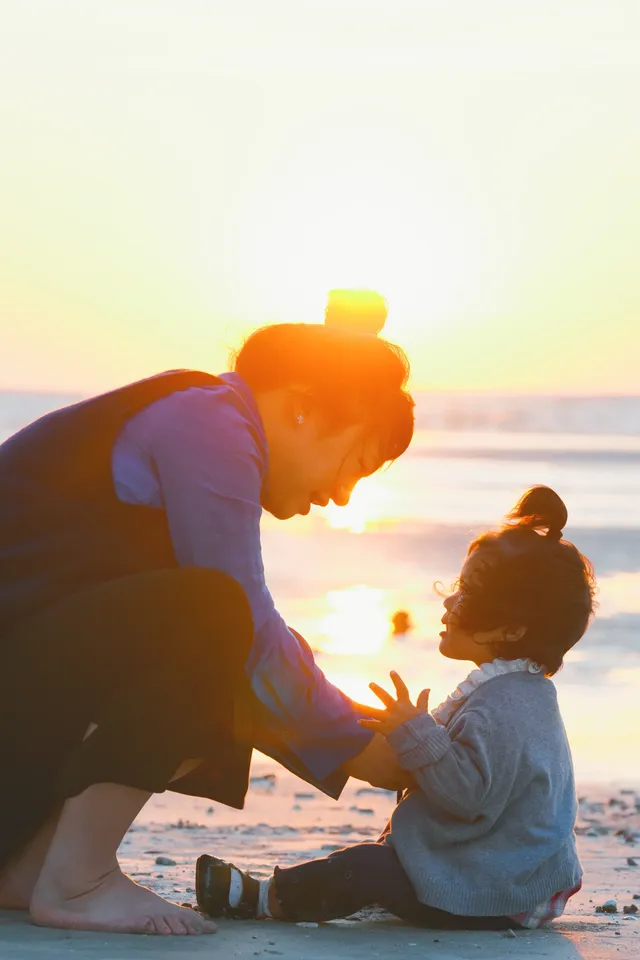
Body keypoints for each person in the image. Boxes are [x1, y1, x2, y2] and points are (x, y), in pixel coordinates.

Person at [0, 306, 415, 935]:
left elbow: (263, 657)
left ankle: (30, 867)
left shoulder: (205, 414)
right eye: (356, 461)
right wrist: (358, 749)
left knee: (228, 654)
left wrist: (367, 733)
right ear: (302, 408)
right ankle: (78, 880)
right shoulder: (210, 422)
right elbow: (243, 618)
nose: (342, 495)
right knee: (214, 618)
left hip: (22, 707)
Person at [196, 486, 595, 931]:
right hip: (505, 872)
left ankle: (260, 898)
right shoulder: (514, 690)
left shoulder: (507, 706)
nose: (448, 600)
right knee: (382, 863)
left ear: (511, 628)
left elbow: (467, 796)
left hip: (495, 890)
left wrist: (418, 734)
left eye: (465, 592)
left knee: (367, 867)